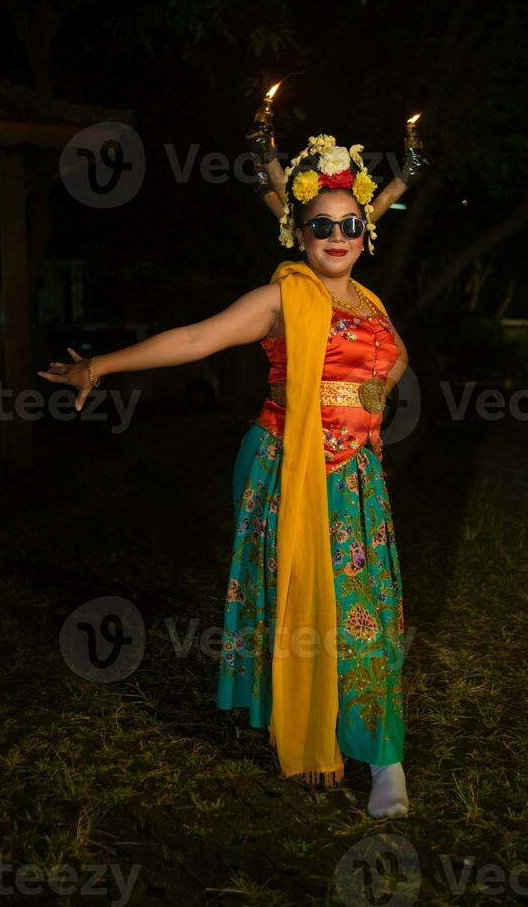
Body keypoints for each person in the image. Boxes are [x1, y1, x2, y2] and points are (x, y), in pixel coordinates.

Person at [38, 132, 420, 819]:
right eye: (321, 226)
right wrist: (100, 367)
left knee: (366, 615)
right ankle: (314, 732)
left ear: (367, 232)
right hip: (288, 466)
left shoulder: (372, 303)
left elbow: (394, 357)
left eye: (349, 225)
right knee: (304, 605)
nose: (336, 236)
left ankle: (383, 755)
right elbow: (193, 339)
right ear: (298, 234)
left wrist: (381, 391)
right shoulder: (282, 298)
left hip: (357, 480)